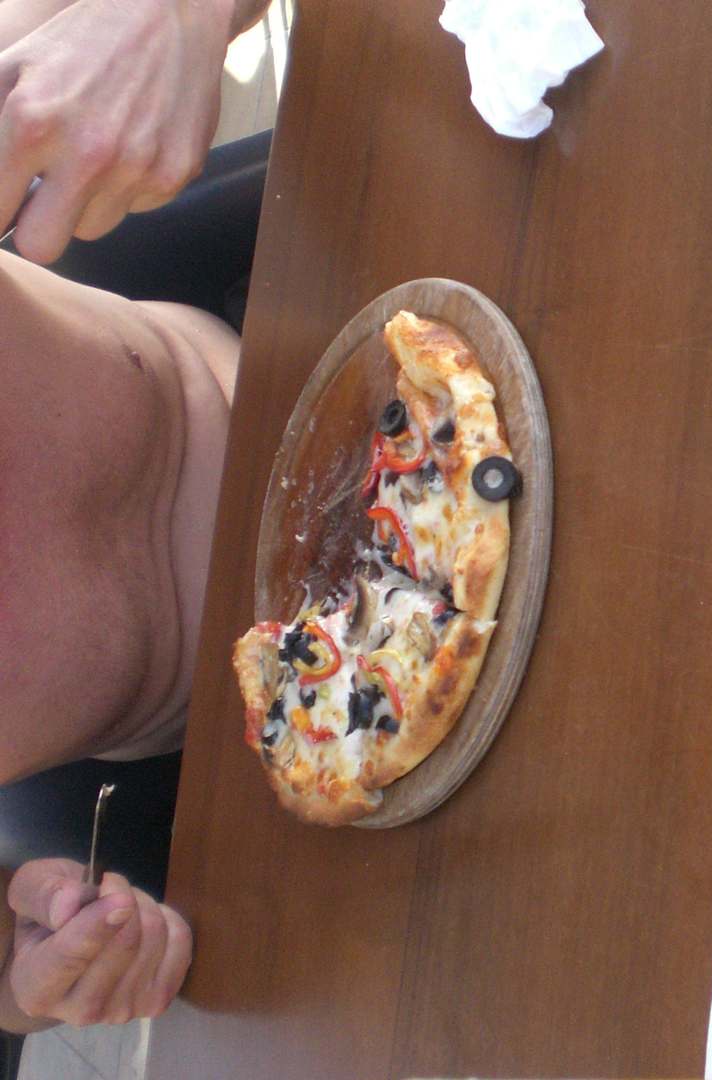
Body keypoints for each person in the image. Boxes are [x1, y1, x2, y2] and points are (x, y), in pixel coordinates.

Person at [0, 0, 271, 1034]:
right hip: (264, 781)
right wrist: (32, 973)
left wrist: (175, 12)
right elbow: (8, 976)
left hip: (308, 322)